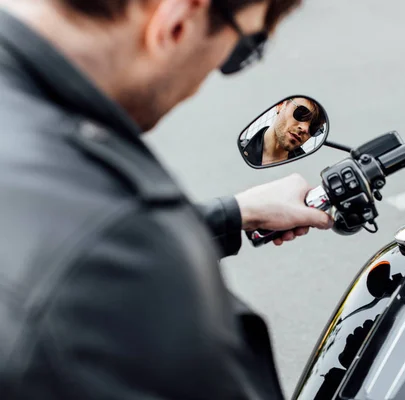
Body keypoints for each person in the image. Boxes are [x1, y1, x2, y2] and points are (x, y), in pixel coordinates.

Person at [0, 0, 332, 399]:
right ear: (178, 19)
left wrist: (234, 214)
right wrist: (163, 236)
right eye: (244, 48)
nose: (217, 70)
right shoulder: (125, 248)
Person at [241, 97, 326, 166]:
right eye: (301, 114)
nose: (305, 129)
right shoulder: (239, 153)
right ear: (280, 105)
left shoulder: (304, 171)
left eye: (315, 127)